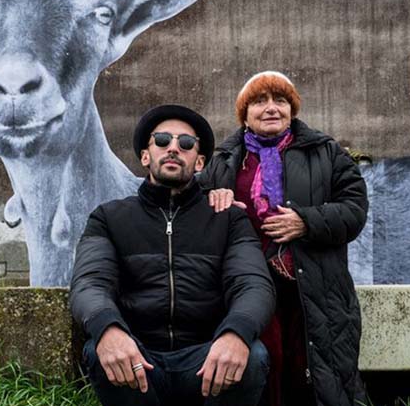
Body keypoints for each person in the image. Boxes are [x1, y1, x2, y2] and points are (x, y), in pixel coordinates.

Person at [70, 104, 275, 406]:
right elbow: (90, 282)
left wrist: (236, 333)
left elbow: (253, 284)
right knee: (98, 350)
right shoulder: (108, 218)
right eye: (162, 140)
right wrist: (108, 328)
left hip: (206, 357)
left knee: (253, 354)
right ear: (145, 156)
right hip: (139, 355)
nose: (174, 148)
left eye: (186, 143)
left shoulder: (227, 219)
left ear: (200, 161)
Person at [198, 71, 369, 406]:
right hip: (248, 290)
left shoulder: (326, 152)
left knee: (317, 378)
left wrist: (306, 221)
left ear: (293, 109)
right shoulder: (222, 163)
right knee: (262, 371)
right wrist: (212, 202)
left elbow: (355, 210)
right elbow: (194, 223)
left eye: (281, 100)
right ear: (244, 114)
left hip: (316, 290)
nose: (271, 108)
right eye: (260, 101)